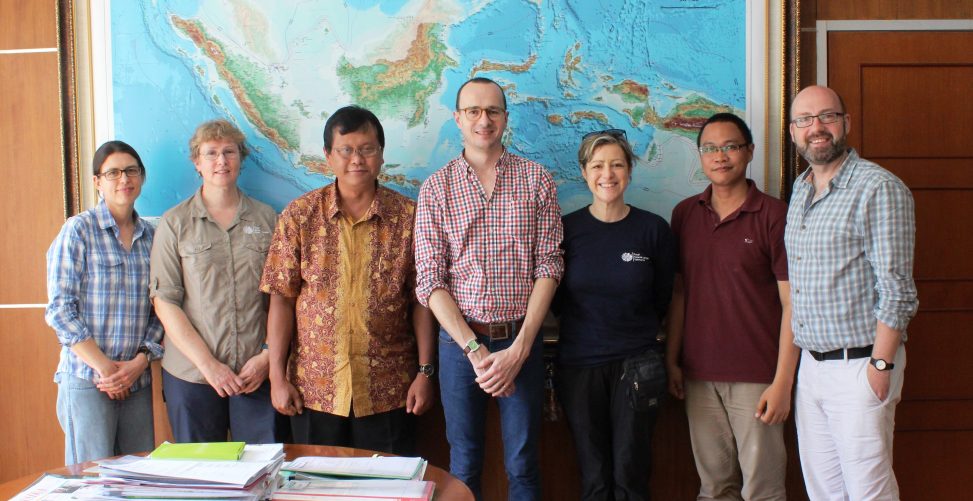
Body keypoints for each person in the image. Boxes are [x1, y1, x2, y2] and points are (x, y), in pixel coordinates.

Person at [414, 77, 564, 500]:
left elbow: (549, 265)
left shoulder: (536, 180)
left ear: (505, 118)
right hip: (460, 346)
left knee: (523, 463)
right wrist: (474, 350)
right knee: (464, 463)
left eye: (493, 111)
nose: (484, 120)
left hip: (523, 340)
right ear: (458, 119)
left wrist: (519, 349)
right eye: (474, 111)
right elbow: (430, 279)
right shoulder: (436, 188)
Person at [260, 105, 435, 456]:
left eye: (367, 149)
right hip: (314, 391)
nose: (357, 159)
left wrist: (425, 372)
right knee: (318, 491)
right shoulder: (300, 216)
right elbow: (281, 298)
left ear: (381, 154)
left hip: (389, 390)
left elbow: (422, 300)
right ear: (329, 156)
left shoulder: (409, 217)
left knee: (387, 492)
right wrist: (277, 378)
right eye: (346, 150)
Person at [786, 86, 918, 500]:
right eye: (805, 120)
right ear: (793, 132)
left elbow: (897, 289)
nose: (816, 128)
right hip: (812, 368)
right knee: (824, 492)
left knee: (868, 492)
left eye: (827, 116)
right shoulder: (801, 188)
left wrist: (880, 364)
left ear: (846, 123)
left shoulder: (879, 188)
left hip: (860, 365)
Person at [666, 113, 798, 500]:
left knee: (763, 489)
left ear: (749, 152)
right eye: (710, 148)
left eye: (730, 146)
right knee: (715, 488)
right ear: (700, 156)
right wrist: (672, 360)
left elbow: (792, 304)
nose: (719, 156)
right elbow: (680, 293)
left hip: (758, 378)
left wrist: (782, 382)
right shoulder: (685, 214)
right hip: (699, 376)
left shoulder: (775, 216)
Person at [554, 129, 675, 501]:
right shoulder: (566, 230)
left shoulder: (652, 229)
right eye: (598, 165)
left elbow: (663, 297)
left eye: (617, 165)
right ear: (584, 172)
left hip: (637, 366)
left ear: (630, 171)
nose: (608, 174)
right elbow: (555, 299)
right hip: (579, 367)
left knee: (630, 473)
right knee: (594, 476)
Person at [150, 119, 278, 443]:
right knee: (201, 478)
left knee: (262, 475)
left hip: (256, 374)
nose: (221, 161)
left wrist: (267, 357)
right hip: (192, 376)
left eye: (229, 152)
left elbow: (282, 297)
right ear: (197, 162)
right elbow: (165, 302)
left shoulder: (268, 219)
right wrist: (209, 366)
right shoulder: (174, 223)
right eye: (211, 153)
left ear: (241, 159)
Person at [45, 140, 164, 464]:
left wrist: (138, 362)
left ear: (141, 177)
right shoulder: (78, 230)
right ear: (97, 181)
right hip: (87, 379)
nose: (123, 179)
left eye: (131, 171)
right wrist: (106, 370)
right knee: (92, 479)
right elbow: (60, 309)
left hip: (136, 379)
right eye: (113, 173)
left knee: (138, 477)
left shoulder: (152, 237)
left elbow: (160, 309)